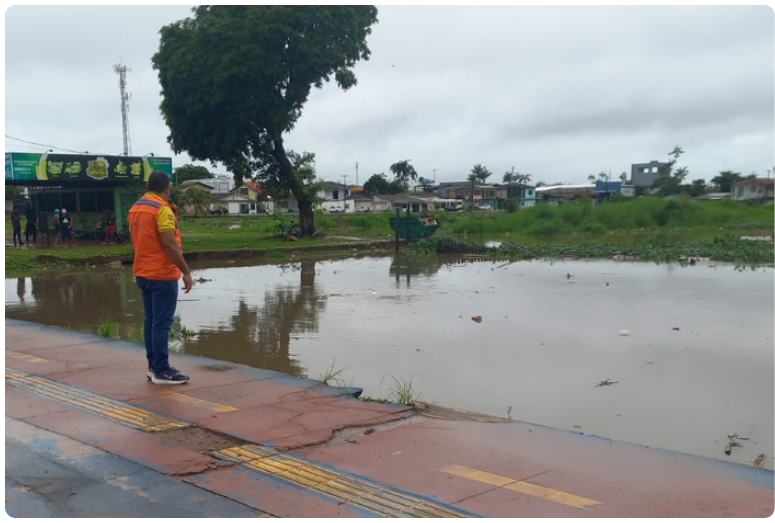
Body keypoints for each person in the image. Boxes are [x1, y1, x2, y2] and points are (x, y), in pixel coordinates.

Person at [128, 171, 194, 385]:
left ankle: (152, 366)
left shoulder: (136, 208)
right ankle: (161, 369)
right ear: (167, 188)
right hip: (161, 274)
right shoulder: (162, 210)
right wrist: (185, 271)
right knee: (162, 323)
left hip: (142, 272)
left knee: (151, 321)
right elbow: (169, 243)